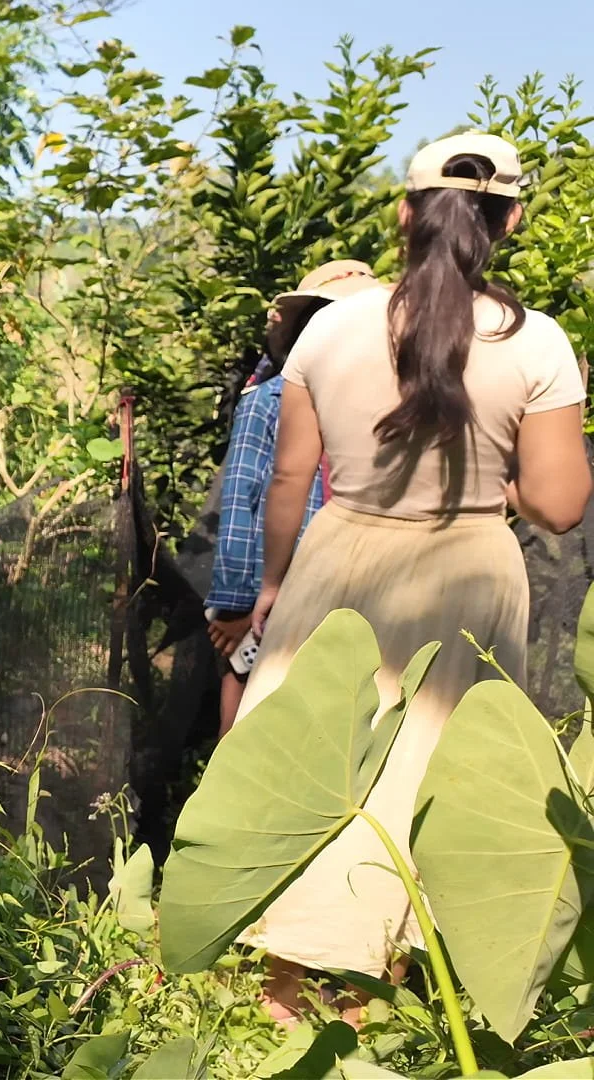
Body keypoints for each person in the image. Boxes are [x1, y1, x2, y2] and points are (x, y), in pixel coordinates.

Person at [236, 130, 592, 1026]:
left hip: (338, 556)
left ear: (403, 213)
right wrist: (498, 480)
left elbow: (289, 479)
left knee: (313, 753)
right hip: (470, 567)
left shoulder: (329, 328)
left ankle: (281, 992)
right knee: (431, 768)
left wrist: (272, 585)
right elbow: (559, 507)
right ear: (508, 220)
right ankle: (385, 994)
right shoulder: (538, 341)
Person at [207, 260, 382, 736]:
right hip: (282, 592)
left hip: (340, 587)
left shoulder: (383, 402)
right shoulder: (270, 400)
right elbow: (242, 501)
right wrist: (239, 604)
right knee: (248, 718)